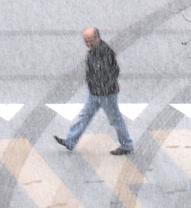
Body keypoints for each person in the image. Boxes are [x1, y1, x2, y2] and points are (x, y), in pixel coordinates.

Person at [56, 27, 134, 155]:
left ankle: (127, 144)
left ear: (98, 38)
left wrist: (103, 85)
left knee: (115, 119)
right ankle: (70, 141)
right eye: (86, 41)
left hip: (106, 94)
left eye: (90, 40)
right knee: (85, 117)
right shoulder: (95, 51)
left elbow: (113, 71)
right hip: (95, 92)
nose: (88, 44)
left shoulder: (104, 52)